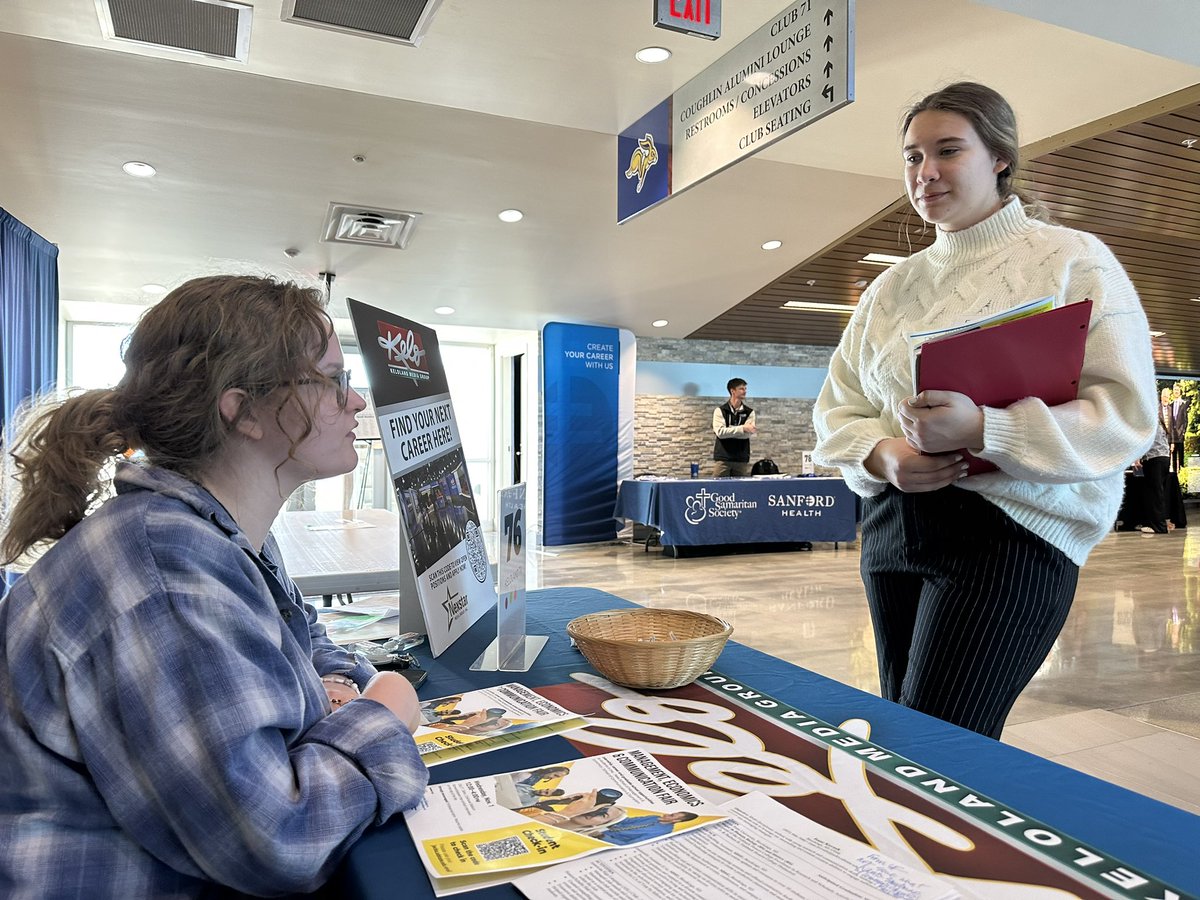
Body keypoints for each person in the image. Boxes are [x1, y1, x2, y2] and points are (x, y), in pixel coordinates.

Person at [0, 275, 429, 896]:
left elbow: (300, 640)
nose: (357, 402)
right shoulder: (166, 574)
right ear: (243, 410)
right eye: (332, 380)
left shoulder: (217, 529)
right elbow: (278, 840)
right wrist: (384, 710)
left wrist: (336, 690)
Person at [812, 82, 1156, 739]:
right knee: (900, 734)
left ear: (998, 157)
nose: (926, 172)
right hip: (893, 527)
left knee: (943, 745)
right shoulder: (890, 288)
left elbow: (1125, 412)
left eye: (947, 150)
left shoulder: (1073, 261)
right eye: (912, 157)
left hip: (1013, 533)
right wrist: (883, 455)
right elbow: (839, 408)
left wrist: (985, 428)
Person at [1132, 418, 1170, 534]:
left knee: (1154, 493)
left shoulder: (1150, 422)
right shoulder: (1160, 423)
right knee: (1157, 492)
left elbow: (1144, 442)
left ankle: (1158, 526)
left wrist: (1137, 457)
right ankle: (1155, 523)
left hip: (1154, 459)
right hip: (1164, 458)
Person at [712, 377, 756, 477]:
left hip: (741, 459)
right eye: (741, 389)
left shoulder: (750, 412)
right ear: (732, 391)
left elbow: (747, 435)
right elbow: (720, 433)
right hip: (723, 459)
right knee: (718, 489)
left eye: (745, 389)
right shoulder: (720, 411)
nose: (745, 391)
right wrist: (742, 428)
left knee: (740, 490)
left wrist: (729, 430)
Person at [597, 811, 698, 846]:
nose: (666, 814)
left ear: (676, 821)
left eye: (671, 815)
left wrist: (603, 837)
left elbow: (631, 844)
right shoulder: (654, 817)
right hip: (606, 828)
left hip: (608, 839)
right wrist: (612, 815)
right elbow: (627, 821)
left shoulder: (663, 832)